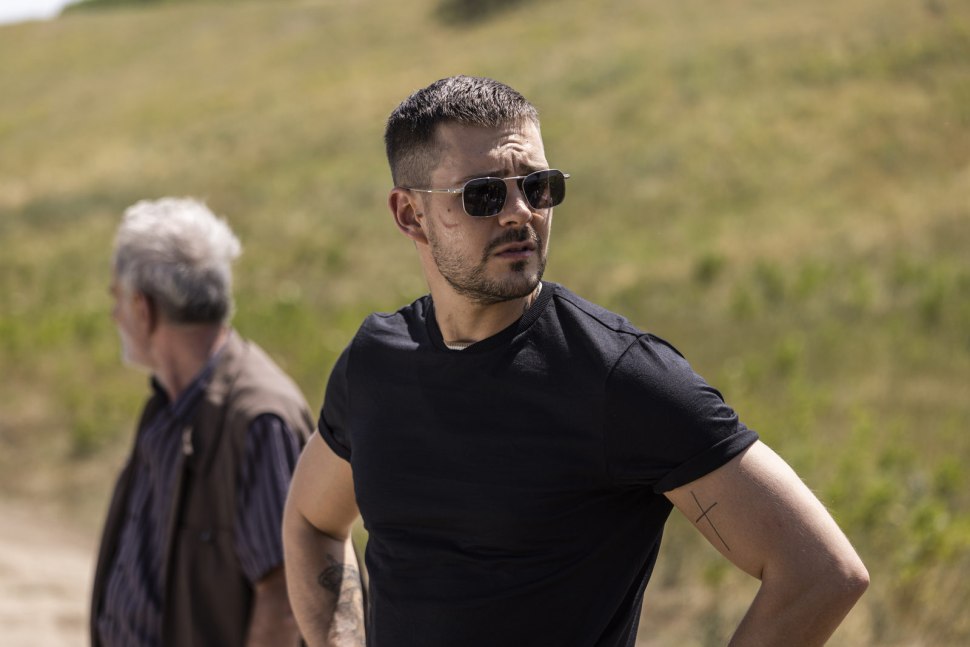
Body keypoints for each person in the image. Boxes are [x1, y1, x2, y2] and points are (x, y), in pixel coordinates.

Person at [283, 75, 869, 647]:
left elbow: (821, 572)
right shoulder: (376, 362)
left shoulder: (619, 377)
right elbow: (311, 522)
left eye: (538, 187)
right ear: (410, 215)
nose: (520, 212)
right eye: (484, 194)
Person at [91, 197, 314, 646]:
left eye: (117, 298)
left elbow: (285, 599)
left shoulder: (258, 420)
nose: (115, 315)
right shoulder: (169, 404)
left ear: (143, 308)